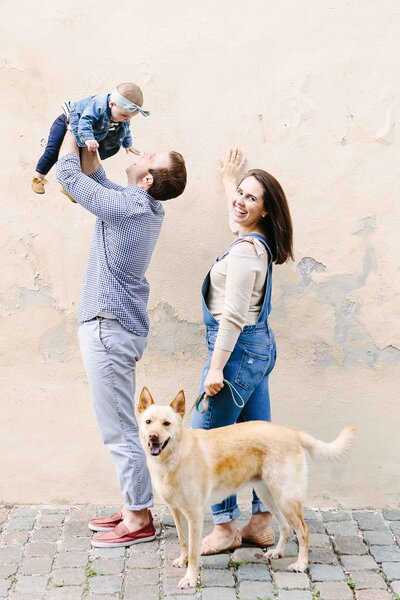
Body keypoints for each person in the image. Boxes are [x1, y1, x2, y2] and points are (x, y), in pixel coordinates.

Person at [56, 130, 187, 548]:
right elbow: (98, 184)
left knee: (120, 430)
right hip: (114, 327)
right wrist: (92, 152)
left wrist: (70, 126)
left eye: (150, 156)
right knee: (121, 425)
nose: (143, 152)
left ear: (147, 180)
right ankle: (135, 504)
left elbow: (71, 178)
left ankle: (138, 519)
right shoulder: (139, 205)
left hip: (107, 328)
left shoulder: (132, 207)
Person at [190, 148, 293, 554]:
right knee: (257, 440)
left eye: (252, 198)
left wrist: (215, 371)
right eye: (242, 195)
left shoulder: (245, 253)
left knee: (208, 441)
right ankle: (261, 523)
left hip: (234, 352)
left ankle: (225, 526)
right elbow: (237, 223)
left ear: (266, 211)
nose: (241, 202)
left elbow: (232, 316)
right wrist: (229, 184)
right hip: (257, 350)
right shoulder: (255, 243)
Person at [32, 82, 150, 194]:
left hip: (85, 133)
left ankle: (67, 189)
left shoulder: (122, 116)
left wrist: (128, 144)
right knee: (53, 150)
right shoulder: (98, 104)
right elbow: (85, 120)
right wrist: (88, 138)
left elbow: (125, 128)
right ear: (112, 104)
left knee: (79, 160)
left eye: (130, 117)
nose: (126, 119)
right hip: (67, 121)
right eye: (124, 115)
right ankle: (38, 178)